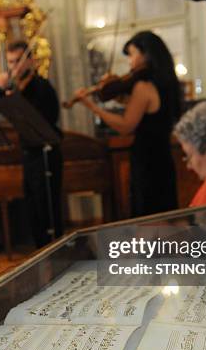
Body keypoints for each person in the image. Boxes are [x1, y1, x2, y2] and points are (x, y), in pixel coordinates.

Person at [72, 31, 180, 217]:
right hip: (163, 156)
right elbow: (145, 110)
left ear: (146, 54)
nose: (130, 61)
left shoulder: (143, 86)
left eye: (132, 54)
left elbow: (125, 125)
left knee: (148, 216)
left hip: (147, 160)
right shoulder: (163, 82)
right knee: (164, 217)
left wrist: (92, 106)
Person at [0, 40, 63, 248]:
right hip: (28, 153)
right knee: (32, 208)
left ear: (30, 60)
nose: (14, 67)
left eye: (19, 61)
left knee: (47, 207)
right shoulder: (13, 86)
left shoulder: (41, 86)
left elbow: (47, 117)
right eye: (10, 62)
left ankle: (56, 251)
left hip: (47, 153)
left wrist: (17, 96)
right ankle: (40, 251)